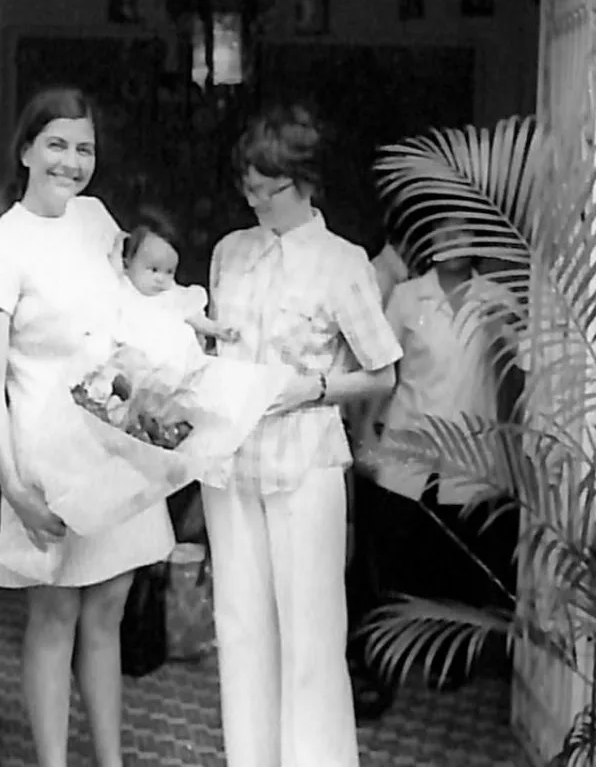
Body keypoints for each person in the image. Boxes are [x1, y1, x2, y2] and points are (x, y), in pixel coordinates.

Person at [0, 86, 175, 767]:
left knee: (109, 609)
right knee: (54, 616)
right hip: (47, 458)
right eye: (56, 144)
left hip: (115, 447)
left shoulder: (96, 220)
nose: (71, 160)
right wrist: (13, 488)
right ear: (26, 149)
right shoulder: (0, 247)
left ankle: (109, 761)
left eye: (84, 147)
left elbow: (142, 305)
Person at [200, 103, 403, 767]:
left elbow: (383, 373)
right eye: (249, 187)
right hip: (229, 462)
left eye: (272, 188)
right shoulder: (231, 251)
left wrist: (309, 389)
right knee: (240, 627)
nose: (257, 200)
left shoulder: (342, 262)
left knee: (311, 638)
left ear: (307, 181)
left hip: (306, 460)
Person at [355, 218, 521, 683]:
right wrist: (367, 432)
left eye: (463, 234)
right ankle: (387, 657)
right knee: (398, 555)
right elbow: (382, 369)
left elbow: (515, 377)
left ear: (478, 242)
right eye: (443, 233)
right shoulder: (407, 297)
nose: (452, 243)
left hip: (470, 451)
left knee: (457, 563)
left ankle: (448, 661)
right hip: (409, 441)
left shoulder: (498, 302)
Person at [114, 205, 240, 344]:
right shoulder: (124, 287)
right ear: (128, 263)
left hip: (175, 354)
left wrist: (218, 330)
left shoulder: (171, 294)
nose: (161, 279)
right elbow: (112, 269)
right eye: (154, 269)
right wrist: (118, 246)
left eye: (169, 272)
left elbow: (195, 319)